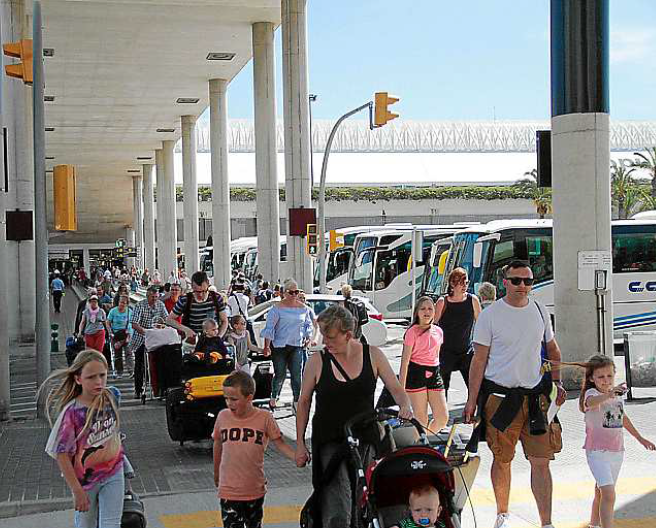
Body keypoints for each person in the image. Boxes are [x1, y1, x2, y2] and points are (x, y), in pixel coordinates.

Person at [464, 261, 567, 528]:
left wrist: (557, 383)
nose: (523, 286)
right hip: (500, 399)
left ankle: (547, 522)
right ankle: (502, 515)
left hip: (535, 398)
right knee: (502, 459)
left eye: (528, 281)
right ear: (505, 282)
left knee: (542, 461)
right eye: (517, 280)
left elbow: (553, 350)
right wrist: (471, 401)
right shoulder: (491, 315)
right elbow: (479, 361)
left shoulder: (539, 310)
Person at [295, 305, 413, 528]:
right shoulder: (318, 361)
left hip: (366, 438)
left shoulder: (373, 355)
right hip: (330, 441)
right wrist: (300, 443)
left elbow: (396, 389)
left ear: (348, 334)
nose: (325, 342)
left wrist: (405, 406)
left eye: (330, 337)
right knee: (337, 506)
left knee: (365, 500)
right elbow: (304, 402)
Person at [569, 355, 655, 528]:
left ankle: (594, 525)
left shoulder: (616, 395)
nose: (606, 380)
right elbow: (592, 403)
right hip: (597, 453)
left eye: (609, 376)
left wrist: (640, 438)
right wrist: (609, 394)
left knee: (601, 494)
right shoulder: (592, 393)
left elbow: (622, 418)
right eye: (600, 377)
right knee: (609, 494)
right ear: (592, 378)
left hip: (616, 452)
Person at [42, 350, 124, 528]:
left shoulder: (112, 397)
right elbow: (61, 454)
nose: (98, 382)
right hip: (86, 481)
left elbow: (114, 434)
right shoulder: (72, 413)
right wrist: (77, 490)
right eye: (91, 377)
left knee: (111, 524)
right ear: (78, 379)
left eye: (102, 375)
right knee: (85, 525)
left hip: (114, 473)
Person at [212, 371, 295, 528]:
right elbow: (218, 444)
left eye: (234, 399)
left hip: (254, 489)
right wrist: (216, 473)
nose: (229, 403)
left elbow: (280, 443)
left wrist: (296, 456)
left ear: (249, 397)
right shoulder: (223, 417)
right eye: (226, 399)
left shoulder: (264, 418)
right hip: (229, 489)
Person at [260, 278, 314, 411]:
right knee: (280, 374)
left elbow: (308, 324)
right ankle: (274, 396)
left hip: (297, 345)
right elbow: (269, 328)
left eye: (297, 292)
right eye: (292, 292)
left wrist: (308, 337)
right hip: (279, 346)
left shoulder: (303, 309)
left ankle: (297, 401)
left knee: (297, 375)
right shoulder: (276, 309)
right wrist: (266, 347)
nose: (294, 295)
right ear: (284, 293)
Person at [399, 296, 448, 433]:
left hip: (434, 373)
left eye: (430, 308)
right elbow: (404, 362)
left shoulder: (439, 331)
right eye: (423, 308)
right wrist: (401, 390)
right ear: (417, 312)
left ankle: (425, 441)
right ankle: (422, 448)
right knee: (421, 419)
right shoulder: (412, 332)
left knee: (442, 418)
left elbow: (436, 355)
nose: (427, 312)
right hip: (415, 374)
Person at [434, 267, 481, 396]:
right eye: (460, 282)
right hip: (445, 352)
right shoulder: (442, 302)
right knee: (443, 388)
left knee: (475, 386)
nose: (464, 286)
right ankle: (441, 415)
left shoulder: (473, 300)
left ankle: (474, 413)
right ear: (452, 284)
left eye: (466, 282)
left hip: (466, 351)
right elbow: (432, 327)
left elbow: (481, 325)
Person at [128, 285, 169, 397]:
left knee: (160, 362)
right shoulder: (139, 305)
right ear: (147, 296)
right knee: (139, 364)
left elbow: (166, 319)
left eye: (156, 297)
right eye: (152, 297)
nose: (155, 299)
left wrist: (164, 327)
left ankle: (160, 388)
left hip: (156, 338)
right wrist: (146, 333)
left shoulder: (160, 305)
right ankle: (138, 389)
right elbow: (134, 323)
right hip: (141, 338)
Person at [168, 271, 229, 340]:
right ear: (192, 286)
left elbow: (224, 321)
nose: (200, 295)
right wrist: (186, 329)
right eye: (196, 291)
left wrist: (219, 337)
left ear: (208, 284)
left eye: (203, 291)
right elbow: (169, 319)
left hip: (212, 339)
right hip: (192, 341)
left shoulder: (216, 298)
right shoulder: (185, 300)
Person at [107, 296, 133, 378]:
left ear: (127, 304)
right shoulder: (113, 311)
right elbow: (108, 322)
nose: (122, 304)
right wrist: (110, 332)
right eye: (121, 302)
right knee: (118, 354)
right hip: (116, 334)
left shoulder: (129, 312)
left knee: (128, 352)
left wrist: (128, 336)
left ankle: (131, 370)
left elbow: (131, 324)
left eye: (124, 303)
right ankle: (119, 372)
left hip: (126, 334)